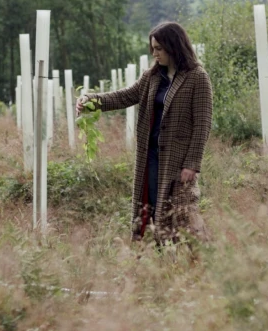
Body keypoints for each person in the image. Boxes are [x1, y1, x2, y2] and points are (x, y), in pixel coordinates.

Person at [76, 22, 213, 243]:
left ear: (174, 46)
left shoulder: (197, 77)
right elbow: (124, 96)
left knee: (182, 211)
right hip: (150, 157)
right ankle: (157, 253)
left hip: (177, 161)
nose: (155, 53)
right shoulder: (152, 77)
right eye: (153, 48)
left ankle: (196, 256)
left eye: (159, 48)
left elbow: (202, 124)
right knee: (151, 204)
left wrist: (192, 164)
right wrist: (91, 100)